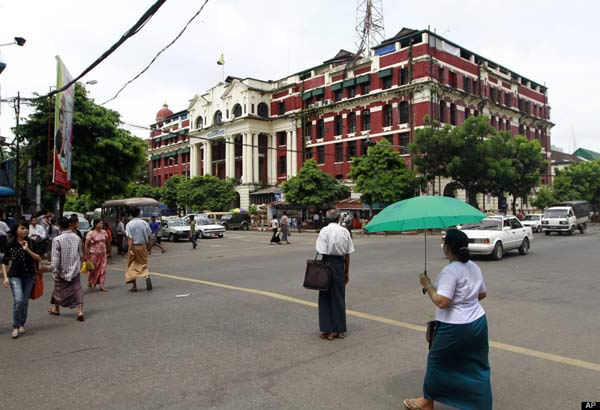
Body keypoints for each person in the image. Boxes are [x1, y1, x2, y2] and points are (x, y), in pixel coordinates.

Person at [403, 229, 492, 410]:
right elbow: (481, 294)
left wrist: (427, 285)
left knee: (437, 360)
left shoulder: (450, 270)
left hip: (455, 326)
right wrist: (465, 302)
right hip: (478, 322)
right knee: (476, 363)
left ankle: (427, 401)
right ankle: (482, 404)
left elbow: (442, 302)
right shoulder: (474, 266)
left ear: (447, 248)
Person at [315, 209, 355, 341]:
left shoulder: (324, 231)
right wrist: (346, 272)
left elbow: (321, 251)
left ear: (327, 219)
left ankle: (329, 331)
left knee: (326, 297)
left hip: (327, 264)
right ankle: (340, 330)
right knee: (339, 297)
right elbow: (347, 253)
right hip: (339, 265)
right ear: (339, 218)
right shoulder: (345, 231)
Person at [2, 221, 42, 338]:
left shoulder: (31, 242)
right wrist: (5, 277)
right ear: (16, 230)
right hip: (15, 275)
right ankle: (15, 326)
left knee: (24, 301)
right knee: (18, 300)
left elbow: (38, 258)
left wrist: (27, 249)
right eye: (23, 228)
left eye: (27, 229)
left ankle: (21, 324)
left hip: (29, 275)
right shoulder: (10, 244)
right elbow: (5, 262)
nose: (25, 231)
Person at [48, 217, 85, 321]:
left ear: (59, 227)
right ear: (69, 225)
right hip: (75, 268)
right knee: (77, 288)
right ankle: (80, 310)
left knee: (58, 289)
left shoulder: (57, 240)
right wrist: (81, 263)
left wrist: (54, 272)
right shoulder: (77, 237)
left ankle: (56, 308)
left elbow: (55, 258)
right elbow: (81, 254)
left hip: (62, 269)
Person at [124, 207, 153, 292]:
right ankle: (147, 276)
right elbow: (149, 236)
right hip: (143, 245)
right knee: (143, 263)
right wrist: (149, 247)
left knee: (131, 265)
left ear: (131, 214)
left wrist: (130, 249)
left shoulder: (129, 224)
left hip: (134, 246)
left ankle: (134, 285)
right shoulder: (144, 223)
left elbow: (129, 238)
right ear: (139, 213)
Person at [84, 219, 110, 292]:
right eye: (100, 223)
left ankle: (102, 285)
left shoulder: (104, 232)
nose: (101, 225)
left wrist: (109, 251)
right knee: (94, 269)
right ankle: (91, 281)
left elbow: (107, 242)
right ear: (95, 224)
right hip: (94, 254)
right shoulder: (91, 233)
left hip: (103, 254)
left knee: (103, 269)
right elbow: (86, 244)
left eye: (102, 223)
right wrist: (86, 254)